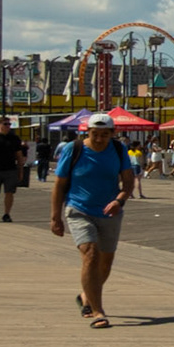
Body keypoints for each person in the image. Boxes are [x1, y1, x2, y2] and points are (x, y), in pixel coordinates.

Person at [49, 112, 135, 329]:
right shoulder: (74, 149)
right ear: (87, 132)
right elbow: (59, 184)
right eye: (95, 134)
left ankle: (85, 296)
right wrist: (55, 217)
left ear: (112, 134)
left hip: (109, 212)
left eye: (104, 135)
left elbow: (128, 182)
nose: (99, 139)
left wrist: (119, 200)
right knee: (91, 255)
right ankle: (98, 312)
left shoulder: (118, 149)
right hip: (79, 209)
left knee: (105, 263)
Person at [0, 115, 27, 223]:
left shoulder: (14, 139)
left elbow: (19, 155)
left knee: (9, 192)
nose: (8, 126)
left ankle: (6, 214)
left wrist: (20, 171)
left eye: (9, 124)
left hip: (10, 170)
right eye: (5, 124)